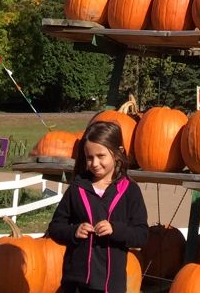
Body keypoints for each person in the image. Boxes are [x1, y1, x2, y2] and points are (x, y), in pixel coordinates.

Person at [48, 120, 149, 293]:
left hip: (111, 286)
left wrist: (115, 230)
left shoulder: (130, 191)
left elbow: (141, 235)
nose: (94, 163)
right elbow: (55, 228)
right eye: (89, 157)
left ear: (118, 153)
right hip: (75, 284)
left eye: (101, 156)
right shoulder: (77, 189)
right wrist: (74, 231)